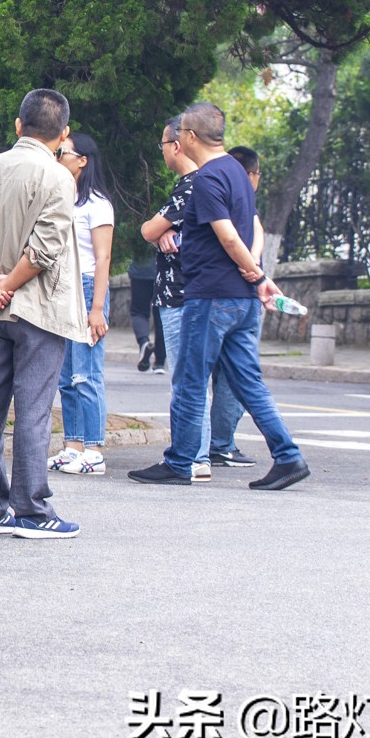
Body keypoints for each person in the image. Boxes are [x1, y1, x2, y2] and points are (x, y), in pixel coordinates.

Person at [130, 105, 309, 490]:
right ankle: (288, 456)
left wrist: (259, 275)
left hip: (212, 296)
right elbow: (251, 229)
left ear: (190, 138)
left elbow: (228, 236)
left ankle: (180, 462)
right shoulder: (238, 174)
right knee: (248, 381)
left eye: (180, 137)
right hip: (241, 300)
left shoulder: (208, 178)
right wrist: (255, 278)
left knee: (191, 379)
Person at [0, 89, 88, 538]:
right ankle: (32, 510)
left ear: (17, 125)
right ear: (63, 134)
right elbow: (45, 251)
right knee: (32, 409)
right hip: (39, 308)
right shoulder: (58, 178)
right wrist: (7, 287)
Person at [139, 123, 217, 479]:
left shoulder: (193, 185)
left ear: (177, 146)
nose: (162, 150)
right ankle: (196, 453)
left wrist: (160, 231)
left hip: (182, 293)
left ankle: (194, 455)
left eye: (163, 143)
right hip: (187, 292)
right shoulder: (194, 185)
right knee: (191, 376)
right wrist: (163, 232)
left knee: (187, 378)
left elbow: (148, 229)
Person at [49, 131, 114, 476]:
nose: (58, 157)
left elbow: (103, 259)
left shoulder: (97, 205)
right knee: (66, 376)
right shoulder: (65, 200)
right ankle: (73, 446)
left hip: (88, 288)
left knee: (87, 373)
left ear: (83, 161)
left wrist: (97, 308)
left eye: (65, 153)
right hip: (65, 288)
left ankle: (94, 448)